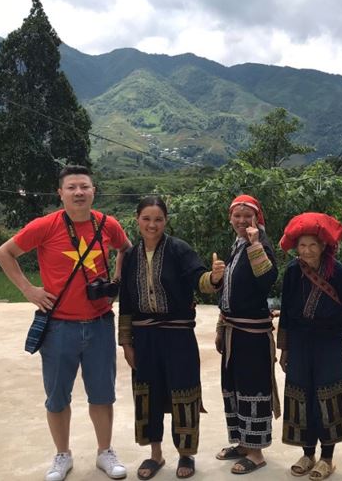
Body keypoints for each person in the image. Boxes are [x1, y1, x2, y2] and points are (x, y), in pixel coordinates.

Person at [0, 165, 132, 481]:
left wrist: (117, 279)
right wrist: (29, 290)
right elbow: (5, 253)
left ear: (93, 191)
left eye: (84, 186)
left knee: (102, 394)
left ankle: (104, 452)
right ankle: (62, 455)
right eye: (72, 187)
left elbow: (125, 248)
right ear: (61, 193)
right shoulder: (46, 226)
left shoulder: (107, 224)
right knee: (57, 396)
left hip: (99, 323)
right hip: (58, 326)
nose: (79, 192)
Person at [118, 196, 225, 480]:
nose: (152, 225)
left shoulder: (179, 249)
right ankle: (155, 454)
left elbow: (199, 279)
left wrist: (214, 279)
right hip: (144, 337)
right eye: (146, 219)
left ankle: (185, 454)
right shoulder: (129, 256)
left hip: (178, 336)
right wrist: (126, 343)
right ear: (137, 219)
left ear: (166, 221)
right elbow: (126, 301)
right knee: (147, 393)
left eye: (158, 219)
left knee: (183, 391)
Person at [277, 212, 342, 480]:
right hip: (300, 343)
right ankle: (307, 452)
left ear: (324, 245)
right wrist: (285, 348)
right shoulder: (292, 271)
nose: (307, 250)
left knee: (328, 396)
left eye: (313, 245)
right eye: (302, 245)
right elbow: (287, 312)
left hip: (330, 343)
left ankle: (327, 456)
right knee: (301, 394)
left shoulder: (338, 271)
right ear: (296, 247)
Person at [213, 194, 279, 475]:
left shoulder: (259, 243)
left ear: (257, 218)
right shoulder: (237, 245)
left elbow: (267, 280)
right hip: (233, 331)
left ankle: (256, 452)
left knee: (253, 389)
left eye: (246, 215)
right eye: (237, 216)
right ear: (230, 218)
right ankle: (242, 443)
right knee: (235, 387)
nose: (241, 220)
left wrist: (254, 245)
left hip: (251, 333)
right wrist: (220, 326)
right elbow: (229, 290)